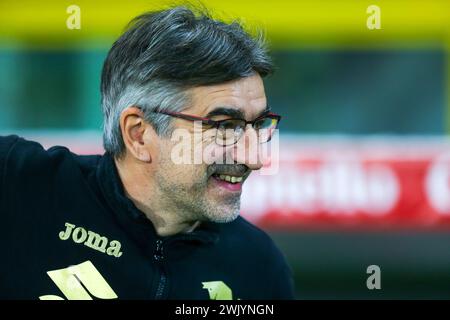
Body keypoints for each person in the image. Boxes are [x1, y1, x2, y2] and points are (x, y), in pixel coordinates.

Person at [0, 5, 294, 300]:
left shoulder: (259, 269)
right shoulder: (17, 186)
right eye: (224, 126)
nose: (254, 158)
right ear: (138, 134)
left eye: (259, 124)